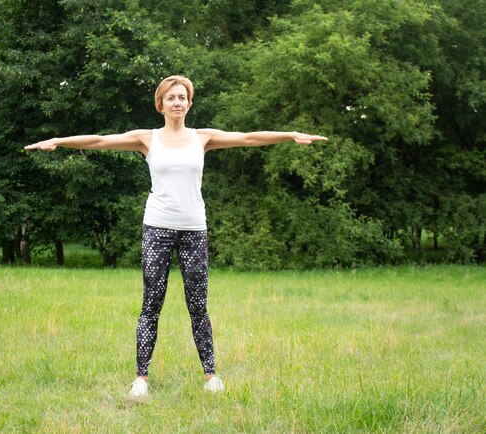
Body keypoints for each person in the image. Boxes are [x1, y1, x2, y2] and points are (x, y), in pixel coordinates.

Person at [24, 75, 327, 398]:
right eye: (171, 98)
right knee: (151, 304)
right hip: (157, 228)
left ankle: (211, 377)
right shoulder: (147, 139)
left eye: (183, 97)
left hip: (195, 229)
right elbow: (100, 141)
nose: (178, 102)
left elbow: (250, 138)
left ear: (189, 103)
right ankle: (141, 378)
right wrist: (59, 140)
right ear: (161, 104)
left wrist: (290, 135)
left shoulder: (203, 138)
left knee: (198, 305)